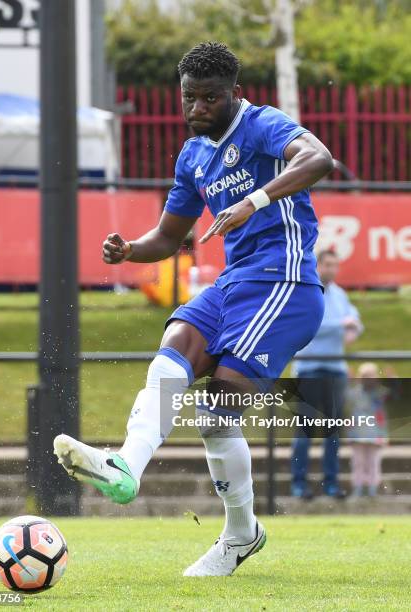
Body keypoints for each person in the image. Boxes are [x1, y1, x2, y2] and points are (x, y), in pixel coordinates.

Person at [54, 42, 332, 576]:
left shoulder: (264, 124)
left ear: (235, 94)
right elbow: (168, 235)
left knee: (215, 412)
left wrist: (252, 201)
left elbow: (318, 158)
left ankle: (238, 534)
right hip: (234, 284)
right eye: (191, 98)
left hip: (286, 284)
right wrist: (131, 250)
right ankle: (124, 468)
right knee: (171, 352)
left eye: (211, 98)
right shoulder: (193, 155)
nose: (199, 108)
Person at [290, 250, 363, 499]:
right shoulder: (305, 291)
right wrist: (341, 325)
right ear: (318, 265)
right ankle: (299, 484)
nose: (333, 270)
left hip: (335, 370)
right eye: (329, 265)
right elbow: (311, 327)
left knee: (333, 431)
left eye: (336, 265)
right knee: (305, 430)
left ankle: (330, 484)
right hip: (308, 369)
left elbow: (354, 318)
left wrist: (354, 326)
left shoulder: (340, 294)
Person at [347, 362, 389, 497]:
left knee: (373, 462)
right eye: (365, 376)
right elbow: (346, 395)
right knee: (358, 462)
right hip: (357, 433)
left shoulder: (379, 393)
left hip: (375, 433)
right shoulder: (355, 393)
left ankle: (372, 488)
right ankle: (358, 488)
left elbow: (391, 395)